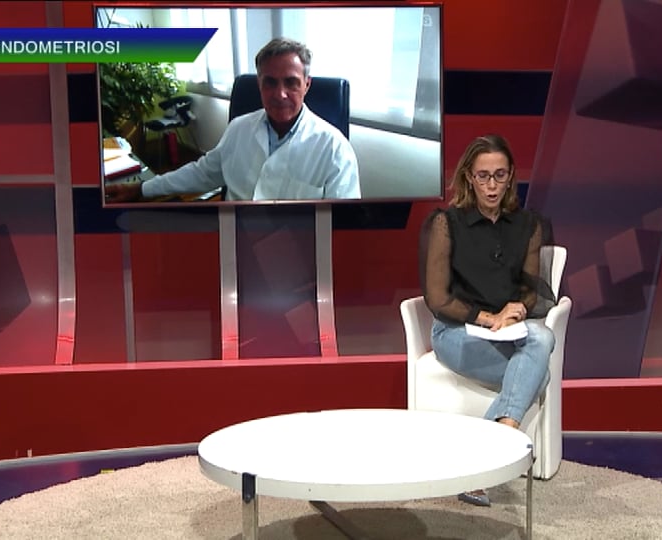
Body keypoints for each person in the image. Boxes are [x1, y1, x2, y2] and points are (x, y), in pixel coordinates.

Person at [419, 134, 556, 507]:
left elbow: (530, 288)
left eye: (499, 175)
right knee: (538, 373)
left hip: (507, 333)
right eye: (483, 176)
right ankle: (498, 447)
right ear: (469, 177)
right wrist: (487, 317)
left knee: (542, 339)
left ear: (511, 176)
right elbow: (437, 298)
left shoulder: (528, 225)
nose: (492, 185)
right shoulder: (447, 223)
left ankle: (479, 460)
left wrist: (518, 309)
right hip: (457, 333)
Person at [105, 37, 360, 203]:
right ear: (259, 84)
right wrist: (141, 189)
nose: (280, 94)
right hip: (232, 240)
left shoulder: (335, 149)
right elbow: (203, 173)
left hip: (297, 254)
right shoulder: (239, 128)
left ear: (306, 84)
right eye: (270, 82)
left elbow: (344, 225)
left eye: (291, 82)